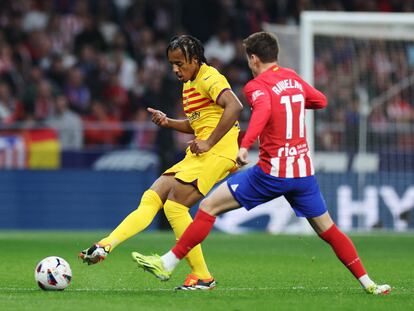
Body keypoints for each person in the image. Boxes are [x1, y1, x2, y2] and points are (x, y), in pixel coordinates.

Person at [130, 32, 391, 295]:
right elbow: (320, 100)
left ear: (254, 58)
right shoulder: (292, 78)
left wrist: (245, 147)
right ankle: (369, 283)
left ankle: (169, 262)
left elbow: (262, 112)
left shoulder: (257, 86)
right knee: (328, 230)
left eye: (248, 59)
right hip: (302, 173)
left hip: (270, 172)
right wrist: (292, 101)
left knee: (208, 206)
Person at [79, 35, 243, 290]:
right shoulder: (189, 85)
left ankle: (202, 276)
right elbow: (197, 122)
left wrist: (209, 142)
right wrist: (168, 122)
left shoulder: (210, 77)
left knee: (175, 206)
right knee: (154, 194)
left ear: (195, 59)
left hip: (218, 151)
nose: (175, 69)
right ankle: (106, 244)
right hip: (201, 152)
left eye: (180, 63)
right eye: (171, 64)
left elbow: (234, 106)